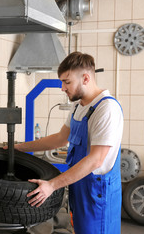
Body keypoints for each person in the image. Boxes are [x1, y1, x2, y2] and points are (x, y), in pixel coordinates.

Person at [13, 52, 123, 234]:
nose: (62, 88)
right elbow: (59, 138)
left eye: (67, 82)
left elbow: (96, 160)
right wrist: (19, 147)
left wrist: (52, 185)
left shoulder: (106, 109)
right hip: (80, 188)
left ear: (86, 78)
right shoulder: (79, 105)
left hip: (97, 195)